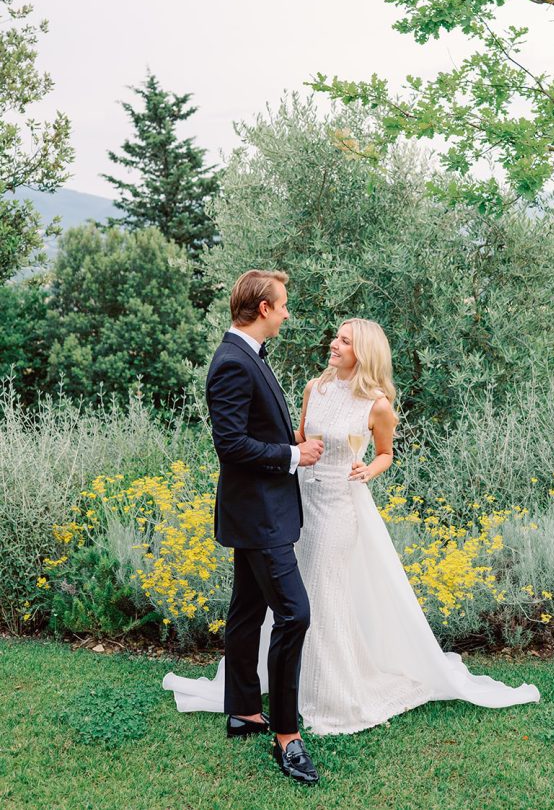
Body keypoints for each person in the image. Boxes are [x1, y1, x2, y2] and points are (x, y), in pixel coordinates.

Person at [164, 317, 539, 737]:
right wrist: (290, 452)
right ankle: (288, 684)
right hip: (296, 499)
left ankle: (330, 693)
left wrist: (368, 471)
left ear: (363, 351)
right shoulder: (315, 388)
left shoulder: (377, 404)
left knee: (322, 596)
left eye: (344, 340)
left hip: (338, 506)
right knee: (294, 595)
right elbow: (300, 437)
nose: (334, 344)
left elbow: (386, 452)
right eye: (336, 337)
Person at [201, 268, 323, 785]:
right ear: (264, 309)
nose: (288, 313)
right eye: (284, 305)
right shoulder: (232, 363)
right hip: (260, 516)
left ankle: (245, 710)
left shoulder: (247, 356)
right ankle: (286, 738)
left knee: (247, 611)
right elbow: (229, 446)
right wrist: (293, 455)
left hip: (256, 513)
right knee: (294, 615)